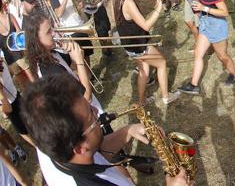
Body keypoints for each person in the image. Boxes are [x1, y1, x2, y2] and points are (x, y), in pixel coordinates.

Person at [20, 72, 189, 185]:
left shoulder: (52, 142)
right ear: (79, 148)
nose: (97, 112)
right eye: (91, 115)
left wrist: (127, 132)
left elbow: (94, 151)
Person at [111, 0, 179, 105]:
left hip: (130, 45)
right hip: (138, 45)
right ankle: (166, 97)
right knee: (161, 64)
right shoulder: (128, 1)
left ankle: (141, 101)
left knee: (144, 70)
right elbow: (146, 25)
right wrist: (159, 4)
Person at [178, 0, 235, 95]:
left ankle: (234, 74)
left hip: (217, 26)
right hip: (205, 23)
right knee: (198, 54)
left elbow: (225, 12)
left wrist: (204, 8)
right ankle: (194, 85)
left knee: (222, 56)